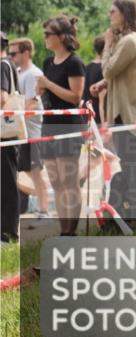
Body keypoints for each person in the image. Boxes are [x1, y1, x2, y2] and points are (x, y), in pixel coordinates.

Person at [87, 0, 136, 221]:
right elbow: (119, 74)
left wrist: (106, 46)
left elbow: (108, 69)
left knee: (131, 165)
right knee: (127, 163)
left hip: (128, 112)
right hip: (123, 111)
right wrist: (104, 85)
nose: (109, 15)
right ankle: (129, 212)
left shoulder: (129, 41)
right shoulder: (129, 40)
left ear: (124, 13)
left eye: (113, 11)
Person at [35, 16, 87, 236]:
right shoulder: (48, 63)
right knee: (56, 182)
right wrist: (42, 90)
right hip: (49, 125)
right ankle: (63, 229)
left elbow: (75, 96)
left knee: (69, 181)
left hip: (68, 127)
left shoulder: (74, 62)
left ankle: (70, 231)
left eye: (48, 34)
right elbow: (52, 92)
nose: (44, 38)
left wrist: (48, 84)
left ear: (61, 37)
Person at [9, 39, 49, 218]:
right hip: (21, 132)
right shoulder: (18, 72)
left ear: (26, 53)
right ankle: (40, 199)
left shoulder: (34, 73)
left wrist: (11, 118)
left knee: (36, 172)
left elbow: (32, 103)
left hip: (33, 133)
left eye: (14, 53)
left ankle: (44, 210)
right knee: (27, 170)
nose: (11, 56)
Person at [1, 33, 23, 241]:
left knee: (6, 182)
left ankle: (8, 232)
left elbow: (2, 97)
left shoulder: (2, 65)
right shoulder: (9, 64)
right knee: (8, 180)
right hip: (10, 131)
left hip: (4, 132)